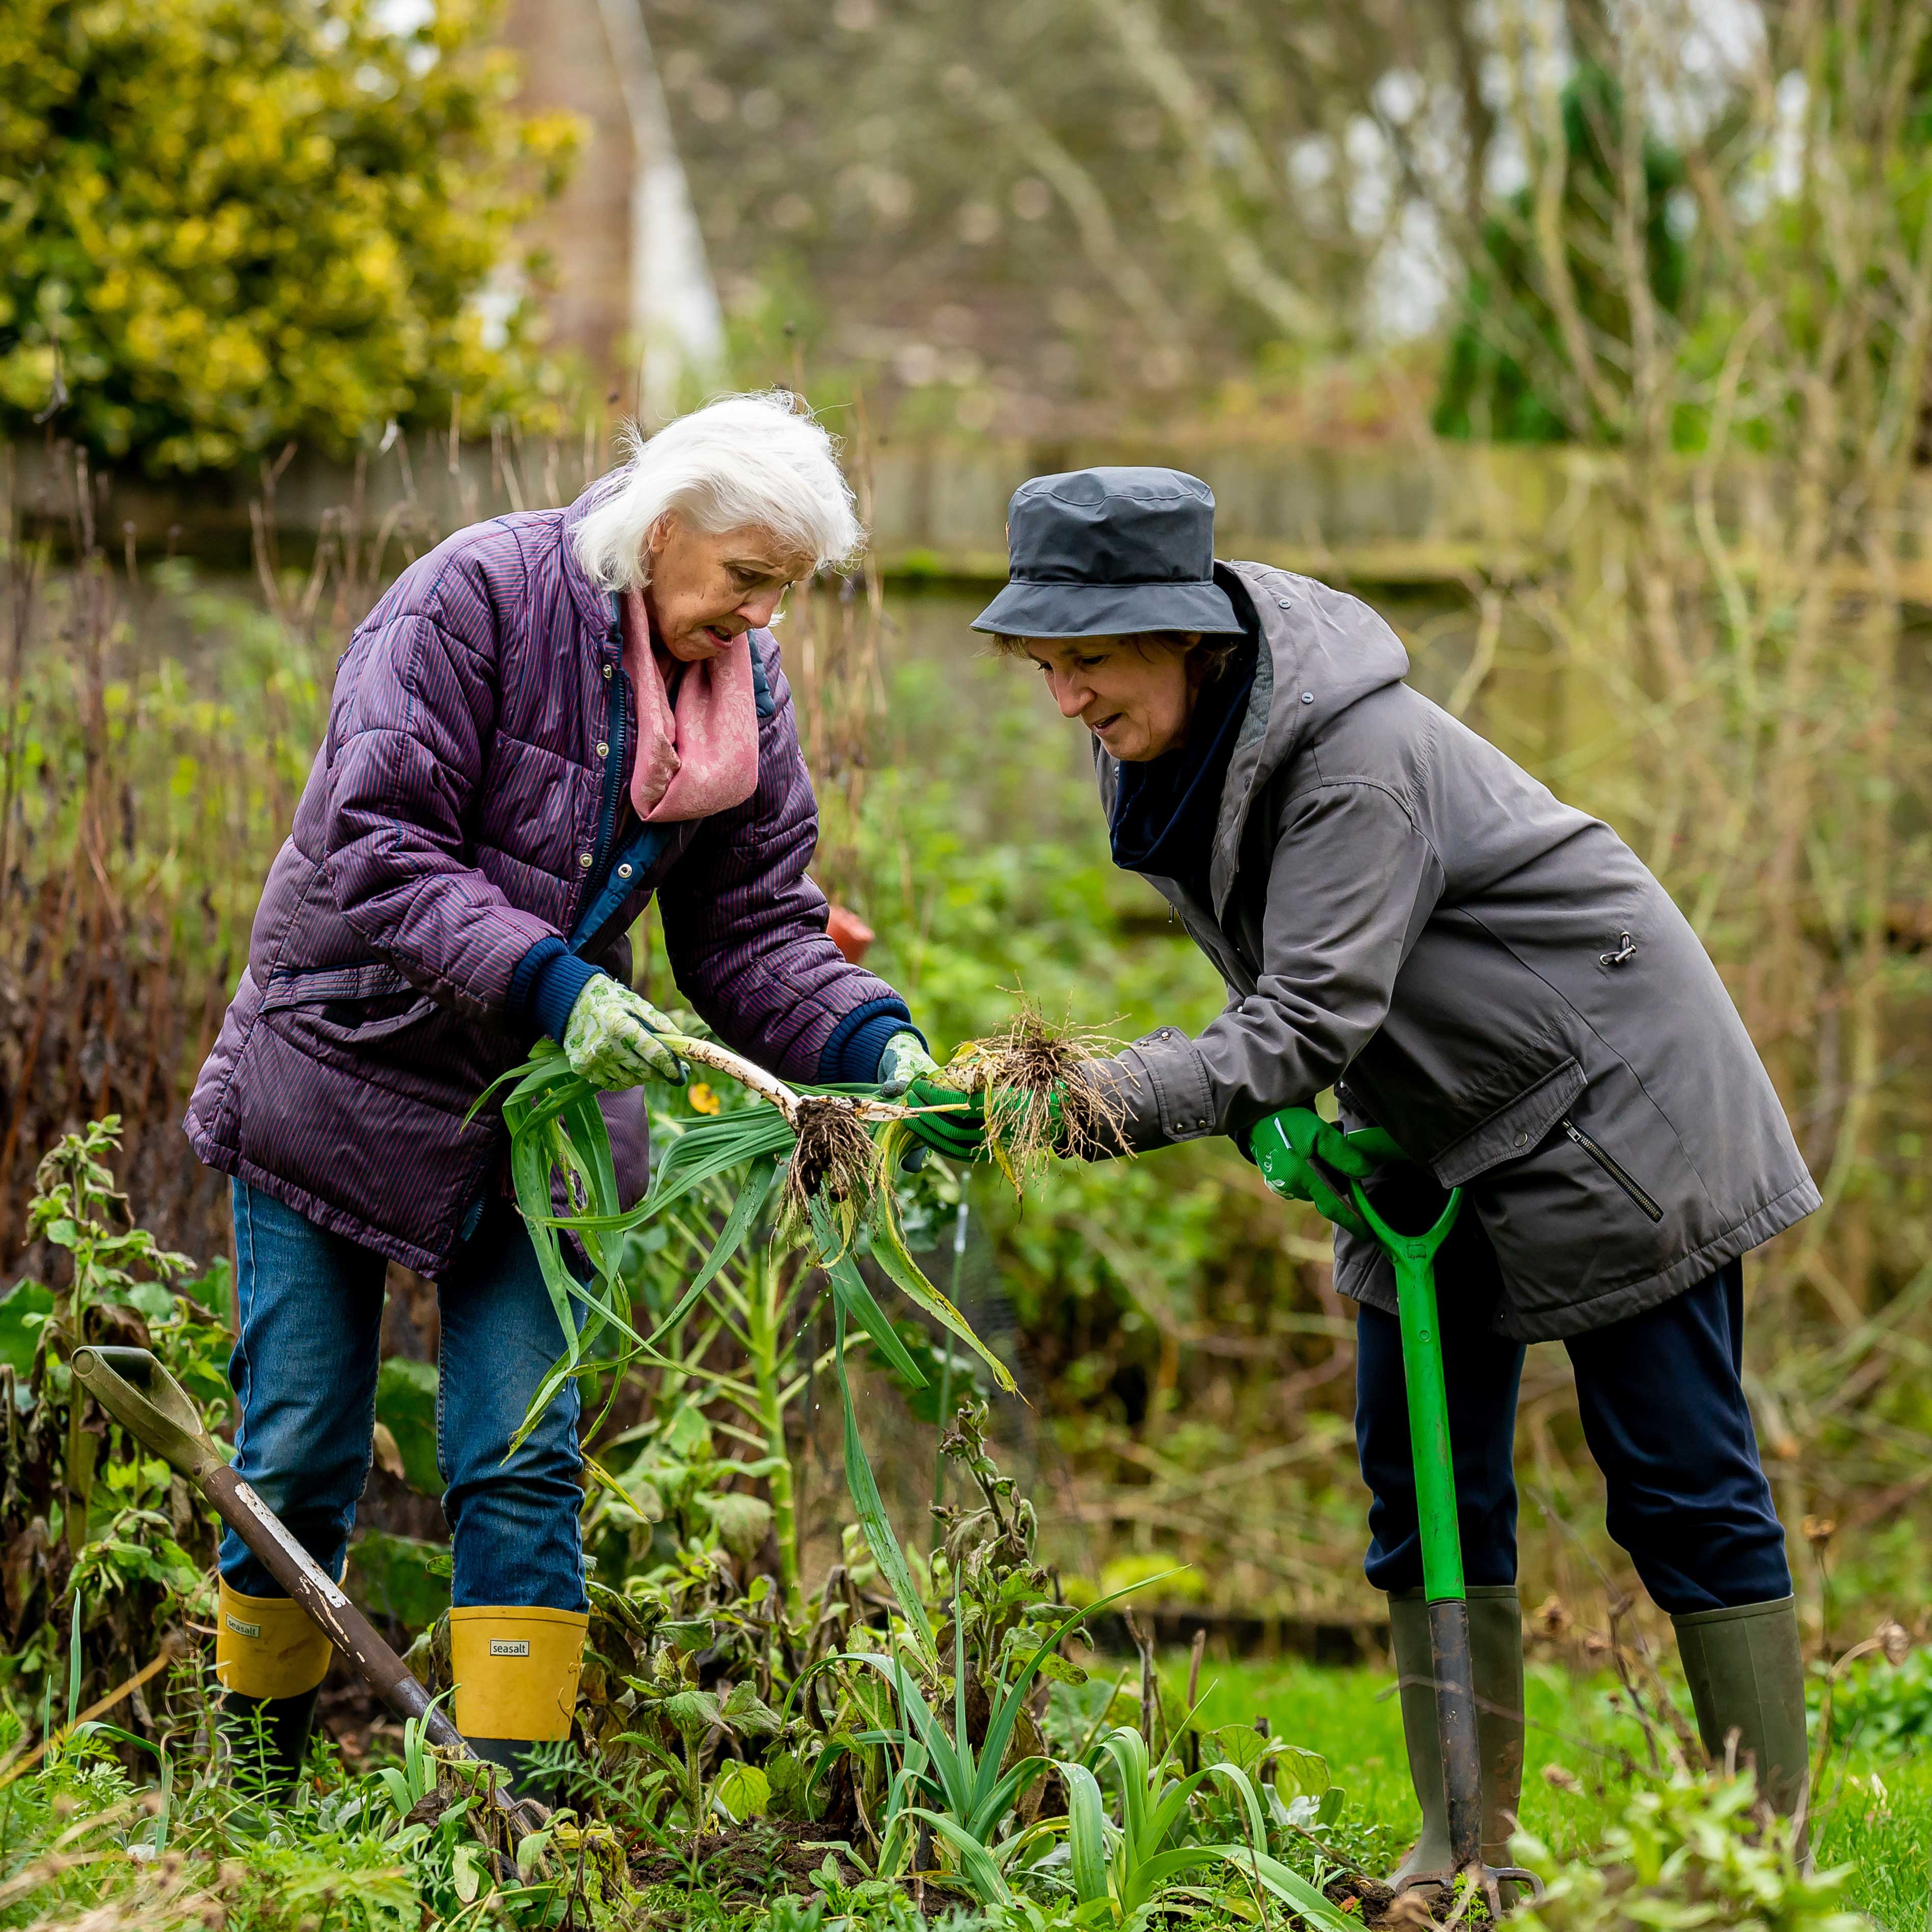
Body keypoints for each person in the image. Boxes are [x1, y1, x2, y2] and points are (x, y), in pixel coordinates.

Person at [962, 465, 1818, 1876]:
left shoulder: (1354, 761)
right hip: (1436, 1117)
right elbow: (1294, 994)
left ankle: (1763, 1864)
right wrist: (1267, 1114)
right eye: (1047, 666)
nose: (1068, 701)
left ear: (1192, 634)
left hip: (1613, 1096)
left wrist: (1081, 1101)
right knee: (1417, 1479)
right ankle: (1461, 1848)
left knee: (1676, 1473)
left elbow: (1300, 1015)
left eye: (1091, 662)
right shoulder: (1173, 745)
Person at [184, 393, 956, 1789]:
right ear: (664, 532)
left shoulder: (741, 692)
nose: (763, 618)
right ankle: (257, 1782)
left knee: (521, 1452)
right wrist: (558, 981)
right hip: (346, 1060)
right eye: (746, 579)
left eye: (784, 590)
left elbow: (754, 928)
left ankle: (509, 1818)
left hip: (535, 1104)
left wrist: (875, 1041)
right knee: (299, 1445)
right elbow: (375, 841)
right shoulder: (474, 600)